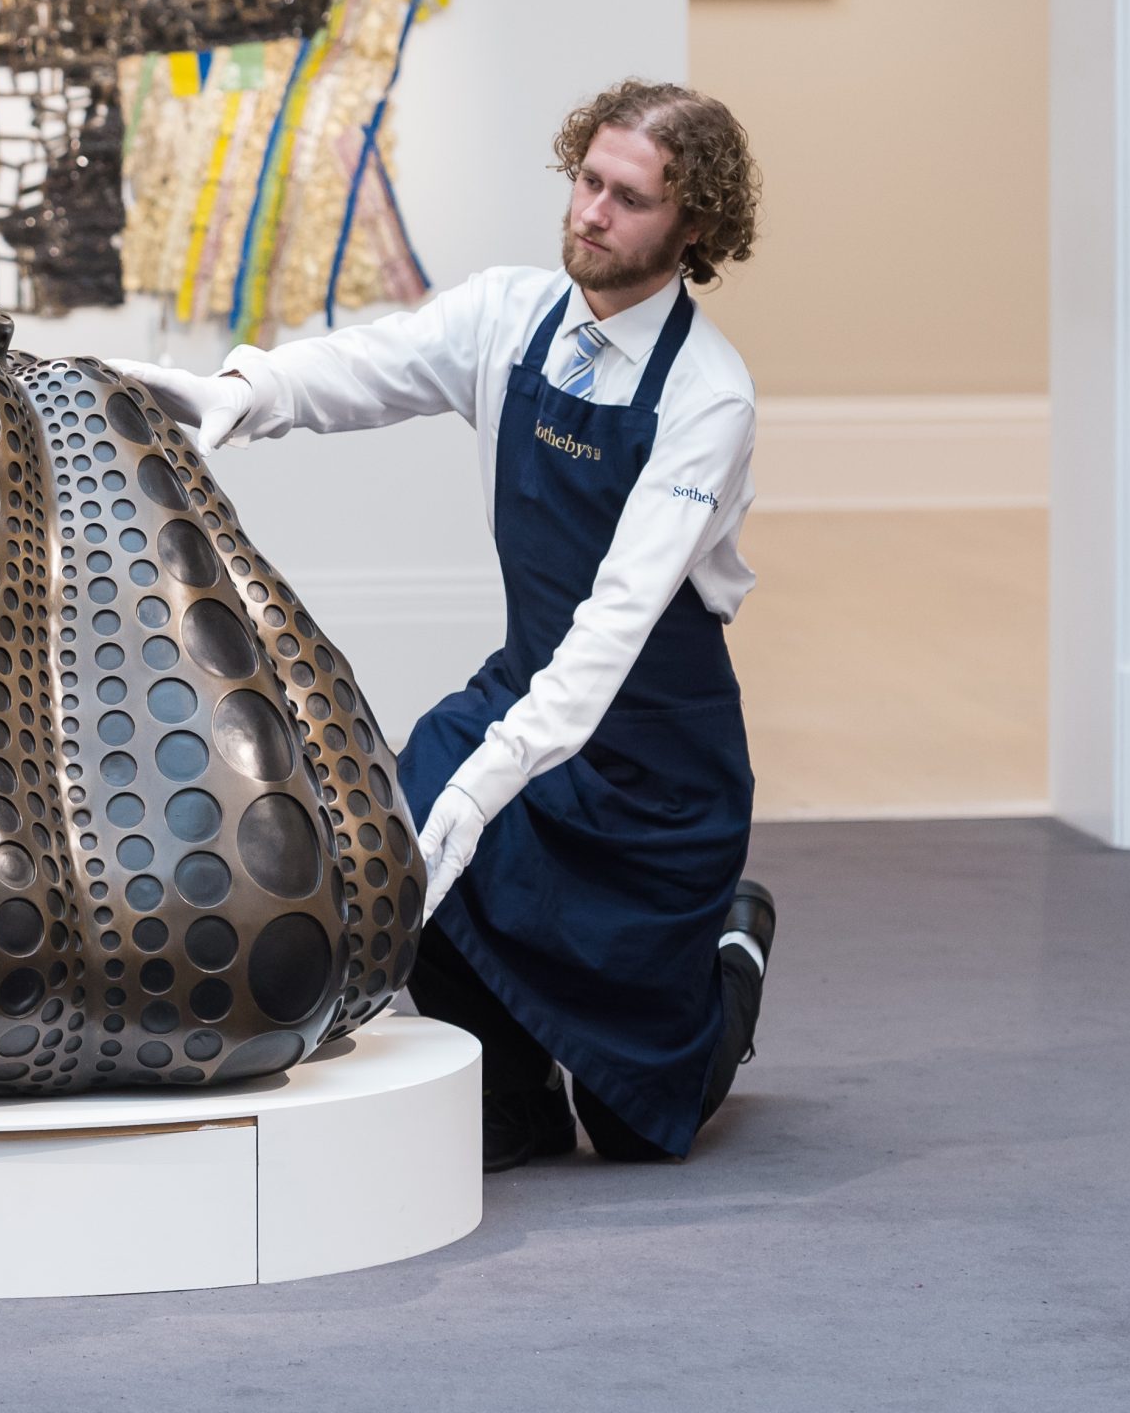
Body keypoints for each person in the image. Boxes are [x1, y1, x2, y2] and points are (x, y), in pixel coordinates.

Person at [117, 81, 776, 1172]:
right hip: (525, 683)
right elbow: (370, 367)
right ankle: (510, 1098)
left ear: (692, 226)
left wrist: (486, 786)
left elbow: (613, 630)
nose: (591, 215)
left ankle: (737, 951)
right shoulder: (509, 315)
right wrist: (239, 393)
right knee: (401, 838)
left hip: (655, 751)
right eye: (586, 182)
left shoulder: (709, 398)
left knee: (638, 1127)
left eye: (629, 200)